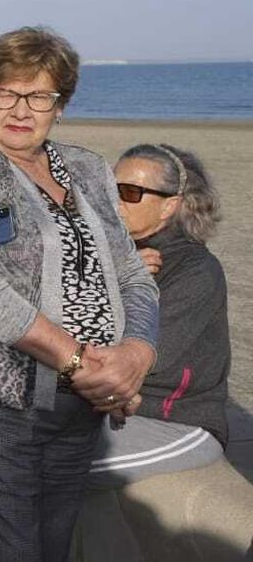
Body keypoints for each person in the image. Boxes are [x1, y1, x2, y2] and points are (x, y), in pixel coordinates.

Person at [0, 26, 158, 562]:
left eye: (39, 95)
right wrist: (78, 362)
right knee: (8, 554)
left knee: (52, 549)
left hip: (82, 402)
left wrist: (135, 356)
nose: (20, 109)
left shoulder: (90, 169)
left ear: (60, 105)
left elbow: (132, 275)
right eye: (6, 92)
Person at [87, 143, 228, 484]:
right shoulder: (114, 252)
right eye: (108, 187)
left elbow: (140, 356)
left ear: (170, 206)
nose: (112, 199)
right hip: (104, 408)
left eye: (130, 192)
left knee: (38, 468)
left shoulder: (195, 270)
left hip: (174, 421)